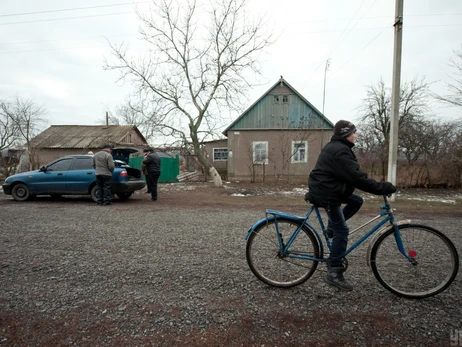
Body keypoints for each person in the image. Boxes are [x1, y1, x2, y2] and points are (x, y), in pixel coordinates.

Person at [306, 120, 396, 291]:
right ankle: (334, 271)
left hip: (330, 189)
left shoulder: (340, 148)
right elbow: (357, 178)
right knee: (343, 231)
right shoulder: (340, 151)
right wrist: (381, 187)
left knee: (357, 200)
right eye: (354, 132)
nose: (356, 135)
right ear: (345, 134)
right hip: (327, 193)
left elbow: (353, 175)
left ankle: (331, 228)